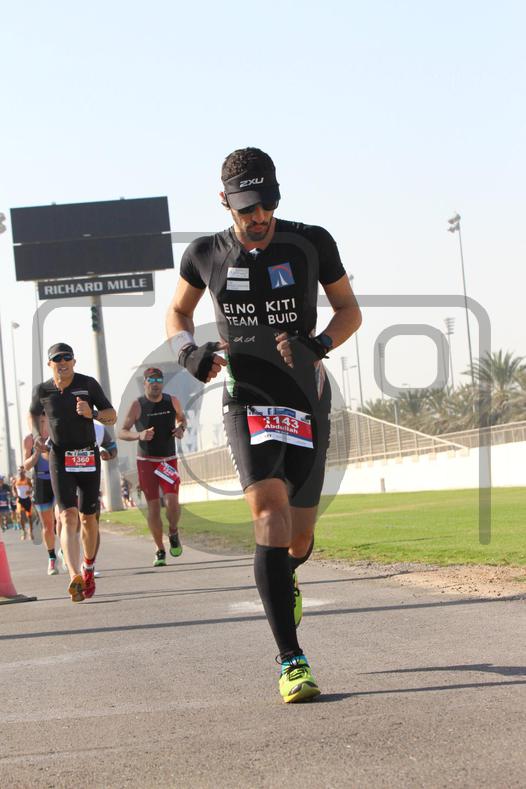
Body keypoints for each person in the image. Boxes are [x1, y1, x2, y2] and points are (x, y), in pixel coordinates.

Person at [166, 147, 362, 703]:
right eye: (247, 208)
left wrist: (318, 345)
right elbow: (178, 313)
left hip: (306, 399)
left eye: (267, 205)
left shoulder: (311, 242)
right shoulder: (204, 254)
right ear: (224, 202)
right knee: (269, 514)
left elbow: (349, 311)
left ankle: (286, 573)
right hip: (246, 399)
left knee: (298, 538)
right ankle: (291, 660)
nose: (259, 217)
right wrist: (187, 352)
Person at [29, 343, 116, 602]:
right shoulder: (42, 390)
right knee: (67, 516)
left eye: (67, 358)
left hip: (87, 455)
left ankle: (88, 566)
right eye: (57, 359)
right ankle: (74, 575)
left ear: (74, 362)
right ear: (50, 364)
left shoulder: (88, 384)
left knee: (88, 518)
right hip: (60, 457)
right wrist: (37, 435)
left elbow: (111, 416)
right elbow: (32, 413)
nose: (63, 362)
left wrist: (93, 413)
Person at [119, 367, 187, 566]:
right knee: (154, 507)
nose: (155, 383)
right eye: (151, 380)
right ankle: (159, 549)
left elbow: (182, 418)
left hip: (168, 461)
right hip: (146, 463)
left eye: (159, 379)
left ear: (162, 382)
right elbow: (122, 431)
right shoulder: (137, 405)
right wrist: (138, 435)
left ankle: (173, 531)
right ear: (145, 383)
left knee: (173, 503)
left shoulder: (172, 401)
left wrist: (181, 428)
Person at [23, 415, 58, 573]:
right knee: (48, 525)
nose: (43, 424)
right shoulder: (29, 440)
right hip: (41, 482)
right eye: (40, 421)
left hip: (58, 479)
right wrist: (37, 452)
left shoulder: (57, 434)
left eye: (46, 420)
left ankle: (65, 551)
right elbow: (26, 466)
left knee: (63, 519)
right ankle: (52, 558)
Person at [12, 467, 34, 541]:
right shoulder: (16, 480)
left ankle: (31, 532)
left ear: (24, 472)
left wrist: (30, 491)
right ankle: (23, 531)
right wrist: (15, 493)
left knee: (29, 517)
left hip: (27, 499)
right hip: (20, 500)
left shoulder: (28, 480)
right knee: (21, 515)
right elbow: (13, 488)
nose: (20, 472)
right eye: (19, 471)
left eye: (22, 471)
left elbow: (32, 488)